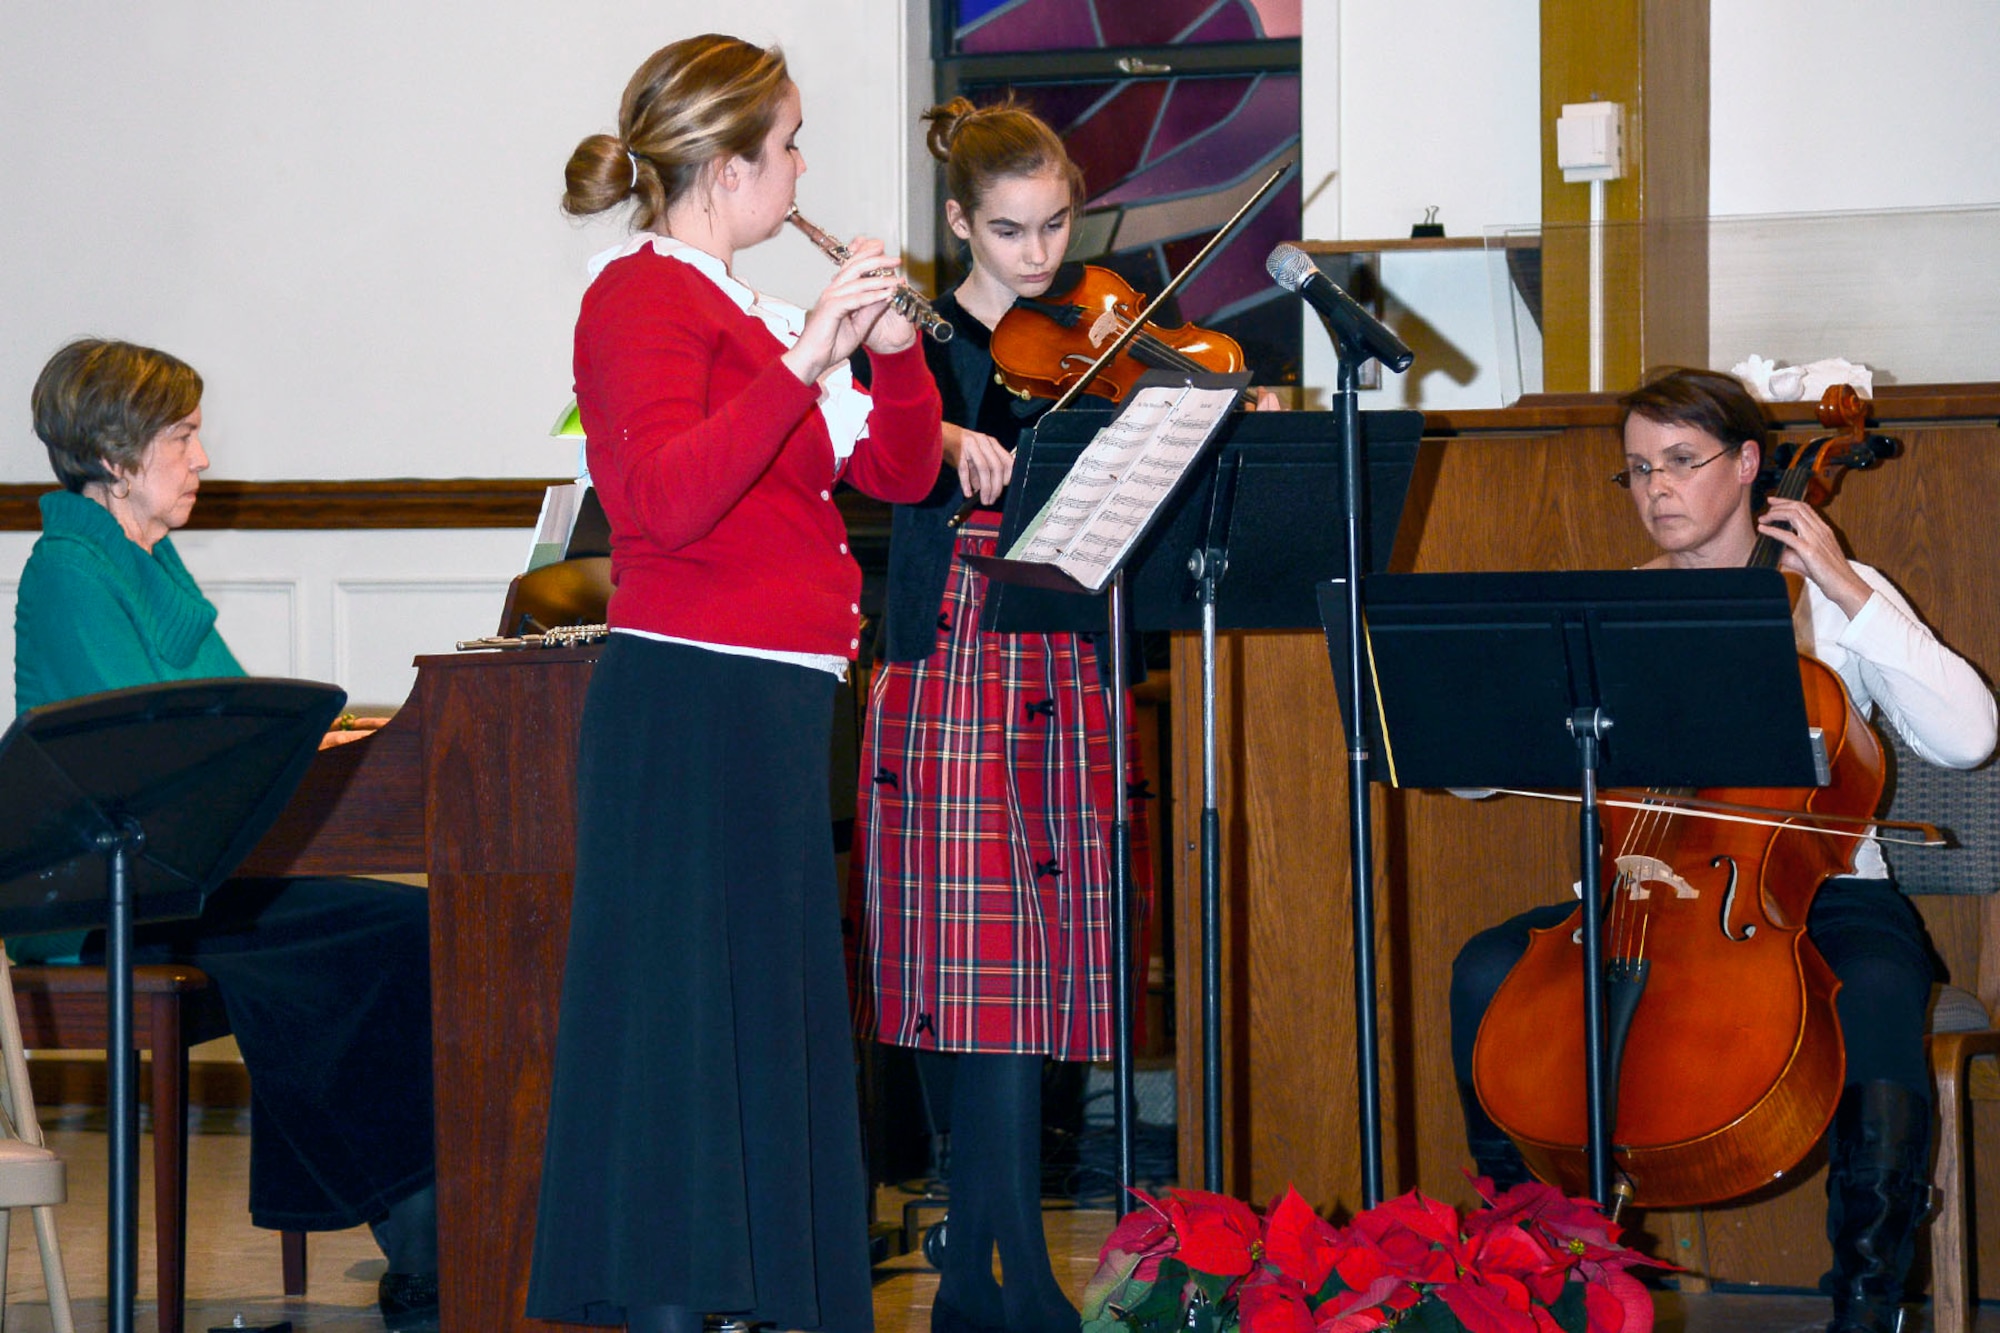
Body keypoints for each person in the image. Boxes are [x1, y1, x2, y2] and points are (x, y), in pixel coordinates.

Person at [523, 34, 942, 1333]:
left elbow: (902, 474)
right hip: (688, 702)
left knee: (765, 1021)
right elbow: (658, 501)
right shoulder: (636, 295)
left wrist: (894, 348)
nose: (804, 165)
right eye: (790, 143)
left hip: (768, 707)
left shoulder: (740, 309)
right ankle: (673, 1299)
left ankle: (754, 1299)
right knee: (684, 1038)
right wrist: (811, 351)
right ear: (721, 166)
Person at [1447, 367, 1997, 1333]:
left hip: (1818, 897)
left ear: (1748, 465)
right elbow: (1475, 771)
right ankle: (1531, 1273)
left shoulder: (1833, 602)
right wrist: (1486, 716)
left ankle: (1868, 1305)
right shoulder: (1614, 606)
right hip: (1635, 891)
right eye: (1637, 470)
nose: (1657, 488)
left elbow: (1968, 736)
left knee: (1872, 996)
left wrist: (1848, 587)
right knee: (1487, 968)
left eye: (1681, 463)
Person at [15, 337, 441, 1330]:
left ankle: (428, 1234)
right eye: (184, 436)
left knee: (392, 934)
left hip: (162, 878)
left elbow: (225, 721)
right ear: (117, 456)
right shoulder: (70, 569)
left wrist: (314, 738)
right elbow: (159, 747)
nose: (202, 458)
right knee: (355, 945)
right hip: (85, 900)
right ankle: (425, 1244)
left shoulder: (135, 560)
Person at [848, 96, 1154, 1333]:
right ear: (959, 223)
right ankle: (1005, 1272)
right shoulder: (914, 342)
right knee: (960, 970)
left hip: (1063, 653)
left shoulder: (1094, 329)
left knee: (1042, 970)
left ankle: (978, 1274)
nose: (1038, 255)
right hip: (953, 659)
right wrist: (932, 415)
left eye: (1056, 224)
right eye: (1010, 231)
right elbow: (873, 463)